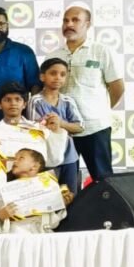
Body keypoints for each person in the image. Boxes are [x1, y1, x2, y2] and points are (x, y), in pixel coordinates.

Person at [46, 2, 125, 182]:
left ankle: (104, 204)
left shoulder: (101, 51)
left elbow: (117, 87)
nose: (69, 24)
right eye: (65, 20)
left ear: (87, 24)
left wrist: (100, 110)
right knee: (64, 183)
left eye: (75, 20)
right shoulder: (53, 56)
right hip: (63, 129)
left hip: (95, 128)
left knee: (103, 181)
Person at [25, 58, 85, 195]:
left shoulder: (68, 101)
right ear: (42, 77)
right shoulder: (35, 101)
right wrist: (48, 124)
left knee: (70, 195)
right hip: (45, 157)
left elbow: (80, 127)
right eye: (53, 73)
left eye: (62, 74)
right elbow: (34, 129)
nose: (58, 77)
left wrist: (61, 123)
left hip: (69, 157)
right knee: (47, 196)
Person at [0, 81, 68, 171]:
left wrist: (56, 131)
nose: (13, 103)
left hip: (33, 177)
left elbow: (55, 160)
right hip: (5, 176)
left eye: (18, 99)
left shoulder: (38, 129)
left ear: (24, 104)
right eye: (8, 100)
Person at [0, 149, 72, 235]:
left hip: (41, 236)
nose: (15, 161)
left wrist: (60, 204)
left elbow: (52, 224)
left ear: (34, 166)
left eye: (21, 158)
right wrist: (1, 217)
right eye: (15, 158)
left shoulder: (48, 189)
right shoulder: (5, 190)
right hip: (15, 236)